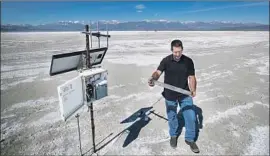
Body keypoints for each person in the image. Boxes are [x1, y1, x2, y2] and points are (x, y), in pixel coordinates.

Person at [148, 39, 199, 153]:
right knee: (172, 116)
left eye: (179, 52)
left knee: (190, 116)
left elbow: (191, 77)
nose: (177, 55)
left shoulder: (188, 61)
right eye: (175, 52)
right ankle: (174, 135)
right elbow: (158, 72)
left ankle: (190, 139)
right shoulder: (166, 61)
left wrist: (193, 90)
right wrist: (153, 78)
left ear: (182, 50)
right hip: (170, 94)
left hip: (185, 93)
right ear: (171, 50)